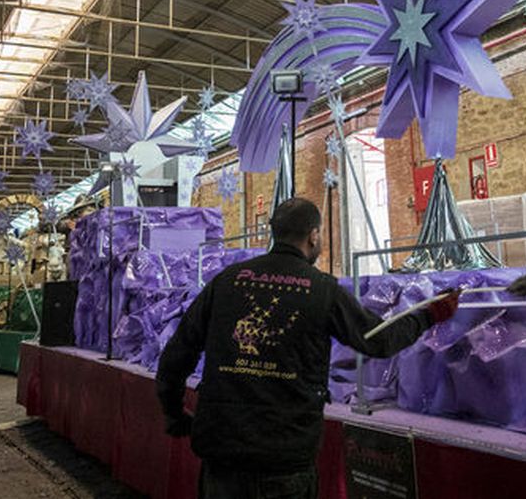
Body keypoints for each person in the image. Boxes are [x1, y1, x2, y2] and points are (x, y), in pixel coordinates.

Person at [157, 198, 459, 499]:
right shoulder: (321, 289)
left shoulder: (226, 282)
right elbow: (377, 339)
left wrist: (173, 412)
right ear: (314, 235)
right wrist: (429, 314)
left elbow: (177, 354)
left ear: (274, 232)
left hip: (222, 454)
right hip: (285, 456)